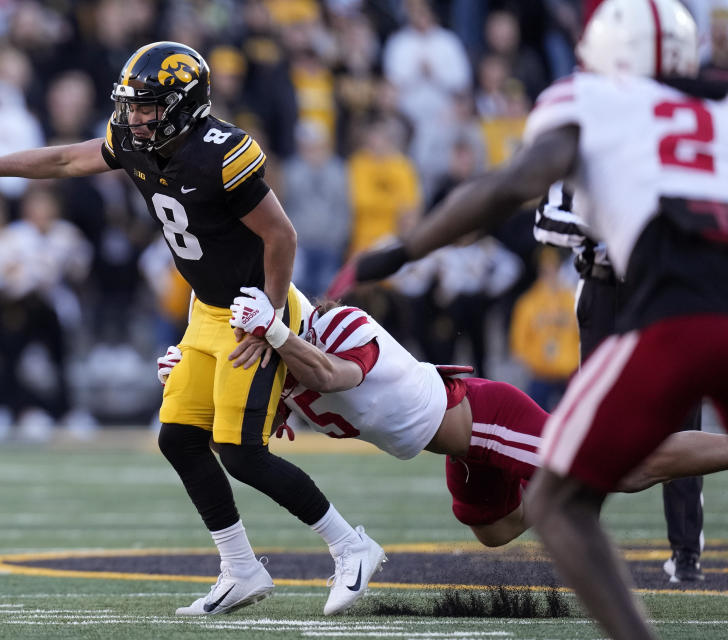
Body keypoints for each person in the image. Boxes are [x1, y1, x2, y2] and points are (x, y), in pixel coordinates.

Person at [0, 41, 384, 617]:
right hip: (204, 310)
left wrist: (268, 320)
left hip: (252, 311)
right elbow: (67, 160)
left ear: (184, 105)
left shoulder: (221, 153)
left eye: (147, 106)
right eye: (130, 104)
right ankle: (240, 567)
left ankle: (352, 545)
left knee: (240, 453)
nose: (134, 117)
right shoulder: (136, 142)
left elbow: (282, 235)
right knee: (179, 438)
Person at [325, 1, 728, 637]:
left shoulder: (592, 98)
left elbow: (511, 185)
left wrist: (406, 249)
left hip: (669, 315)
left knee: (562, 496)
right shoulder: (717, 107)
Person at [165, 287, 728, 549]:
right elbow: (237, 441)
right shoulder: (276, 370)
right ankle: (567, 489)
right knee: (492, 528)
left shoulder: (340, 328)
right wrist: (194, 375)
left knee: (626, 468)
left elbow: (333, 376)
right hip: (458, 449)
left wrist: (281, 334)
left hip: (482, 417)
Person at [535, 181, 705, 582]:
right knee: (595, 420)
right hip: (605, 287)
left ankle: (686, 554)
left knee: (681, 416)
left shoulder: (657, 147)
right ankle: (580, 543)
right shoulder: (586, 151)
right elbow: (545, 219)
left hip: (664, 288)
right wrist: (606, 226)